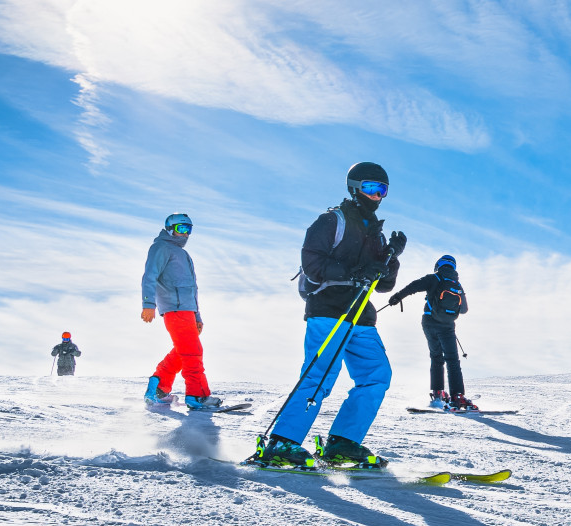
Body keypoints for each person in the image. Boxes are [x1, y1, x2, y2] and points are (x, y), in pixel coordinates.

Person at [252, 162, 406, 468]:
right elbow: (312, 263)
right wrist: (356, 270)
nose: (376, 196)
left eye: (382, 190)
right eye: (371, 188)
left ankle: (343, 442)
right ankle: (282, 443)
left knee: (377, 376)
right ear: (354, 187)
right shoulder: (331, 220)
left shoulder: (375, 233)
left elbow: (384, 285)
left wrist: (392, 258)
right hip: (329, 309)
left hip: (361, 314)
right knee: (321, 374)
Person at [141, 213, 220, 410]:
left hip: (187, 311)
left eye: (188, 230)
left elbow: (191, 289)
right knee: (193, 352)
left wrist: (197, 316)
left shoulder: (182, 254)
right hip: (174, 309)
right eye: (181, 229)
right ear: (170, 229)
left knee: (183, 351)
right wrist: (148, 304)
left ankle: (158, 387)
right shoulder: (161, 248)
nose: (185, 234)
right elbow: (149, 276)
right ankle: (197, 396)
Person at [388, 255, 475, 411]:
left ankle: (437, 394)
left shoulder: (434, 278)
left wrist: (396, 297)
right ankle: (458, 396)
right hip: (447, 327)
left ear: (438, 265)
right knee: (453, 361)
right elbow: (464, 310)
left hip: (429, 323)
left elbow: (413, 287)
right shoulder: (458, 285)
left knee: (436, 357)